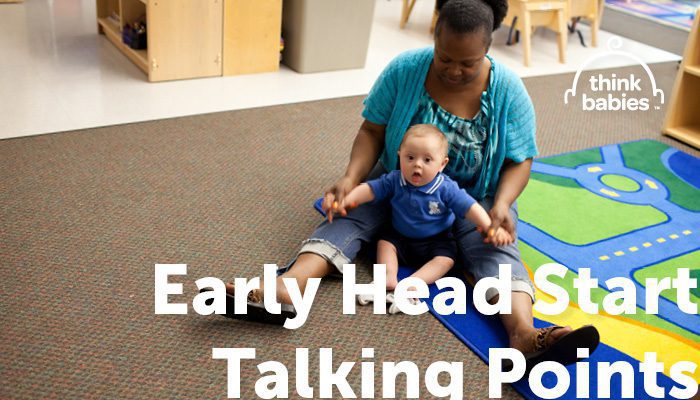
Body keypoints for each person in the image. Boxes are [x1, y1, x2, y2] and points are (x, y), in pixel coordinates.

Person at [216, 0, 599, 372]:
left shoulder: (508, 91)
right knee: (349, 214)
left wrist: (502, 203)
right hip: (398, 185)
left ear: (488, 48)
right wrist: (351, 178)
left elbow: (519, 160)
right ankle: (289, 288)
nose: (453, 70)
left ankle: (523, 334)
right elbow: (372, 130)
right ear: (435, 38)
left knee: (495, 248)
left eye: (468, 63)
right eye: (444, 57)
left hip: (473, 197)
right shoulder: (406, 70)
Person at [337, 124, 513, 314]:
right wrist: (348, 199)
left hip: (436, 239)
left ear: (442, 164)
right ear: (399, 154)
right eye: (410, 158)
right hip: (400, 235)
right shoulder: (395, 179)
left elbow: (470, 207)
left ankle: (412, 286)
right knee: (384, 244)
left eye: (427, 160)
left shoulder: (446, 188)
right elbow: (371, 189)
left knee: (446, 260)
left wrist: (489, 227)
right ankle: (386, 279)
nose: (417, 165)